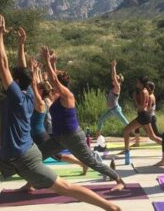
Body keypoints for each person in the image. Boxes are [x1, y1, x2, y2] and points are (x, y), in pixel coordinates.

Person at [0, 15, 121, 211]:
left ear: (16, 82)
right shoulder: (26, 91)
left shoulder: (19, 96)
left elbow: (3, 65)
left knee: (65, 186)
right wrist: (21, 44)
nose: (6, 79)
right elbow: (22, 70)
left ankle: (111, 207)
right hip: (10, 154)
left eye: (12, 78)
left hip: (24, 156)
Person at [38, 46, 125, 192]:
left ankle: (119, 180)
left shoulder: (67, 95)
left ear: (60, 85)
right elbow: (54, 79)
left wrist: (47, 60)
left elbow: (53, 79)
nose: (52, 86)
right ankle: (31, 183)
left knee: (91, 162)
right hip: (59, 138)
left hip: (73, 137)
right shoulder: (59, 95)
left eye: (55, 85)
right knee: (36, 156)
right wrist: (52, 64)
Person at [28, 59, 87, 174]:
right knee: (35, 155)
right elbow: (39, 84)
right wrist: (36, 71)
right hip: (37, 133)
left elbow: (35, 84)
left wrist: (34, 71)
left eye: (38, 88)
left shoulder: (42, 102)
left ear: (41, 91)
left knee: (56, 156)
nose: (35, 89)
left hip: (42, 133)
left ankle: (82, 163)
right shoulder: (44, 98)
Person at [122, 76, 162, 164]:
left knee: (126, 131)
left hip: (143, 116)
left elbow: (142, 107)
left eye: (138, 82)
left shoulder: (144, 92)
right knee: (152, 137)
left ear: (141, 83)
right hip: (143, 116)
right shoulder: (142, 91)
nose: (136, 83)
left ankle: (126, 151)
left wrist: (135, 99)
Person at [96, 60, 129, 138]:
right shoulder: (115, 87)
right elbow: (113, 77)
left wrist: (113, 66)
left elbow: (113, 77)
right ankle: (98, 136)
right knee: (101, 120)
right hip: (111, 110)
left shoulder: (118, 87)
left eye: (116, 79)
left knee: (126, 123)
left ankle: (136, 135)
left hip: (115, 109)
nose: (113, 80)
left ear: (118, 81)